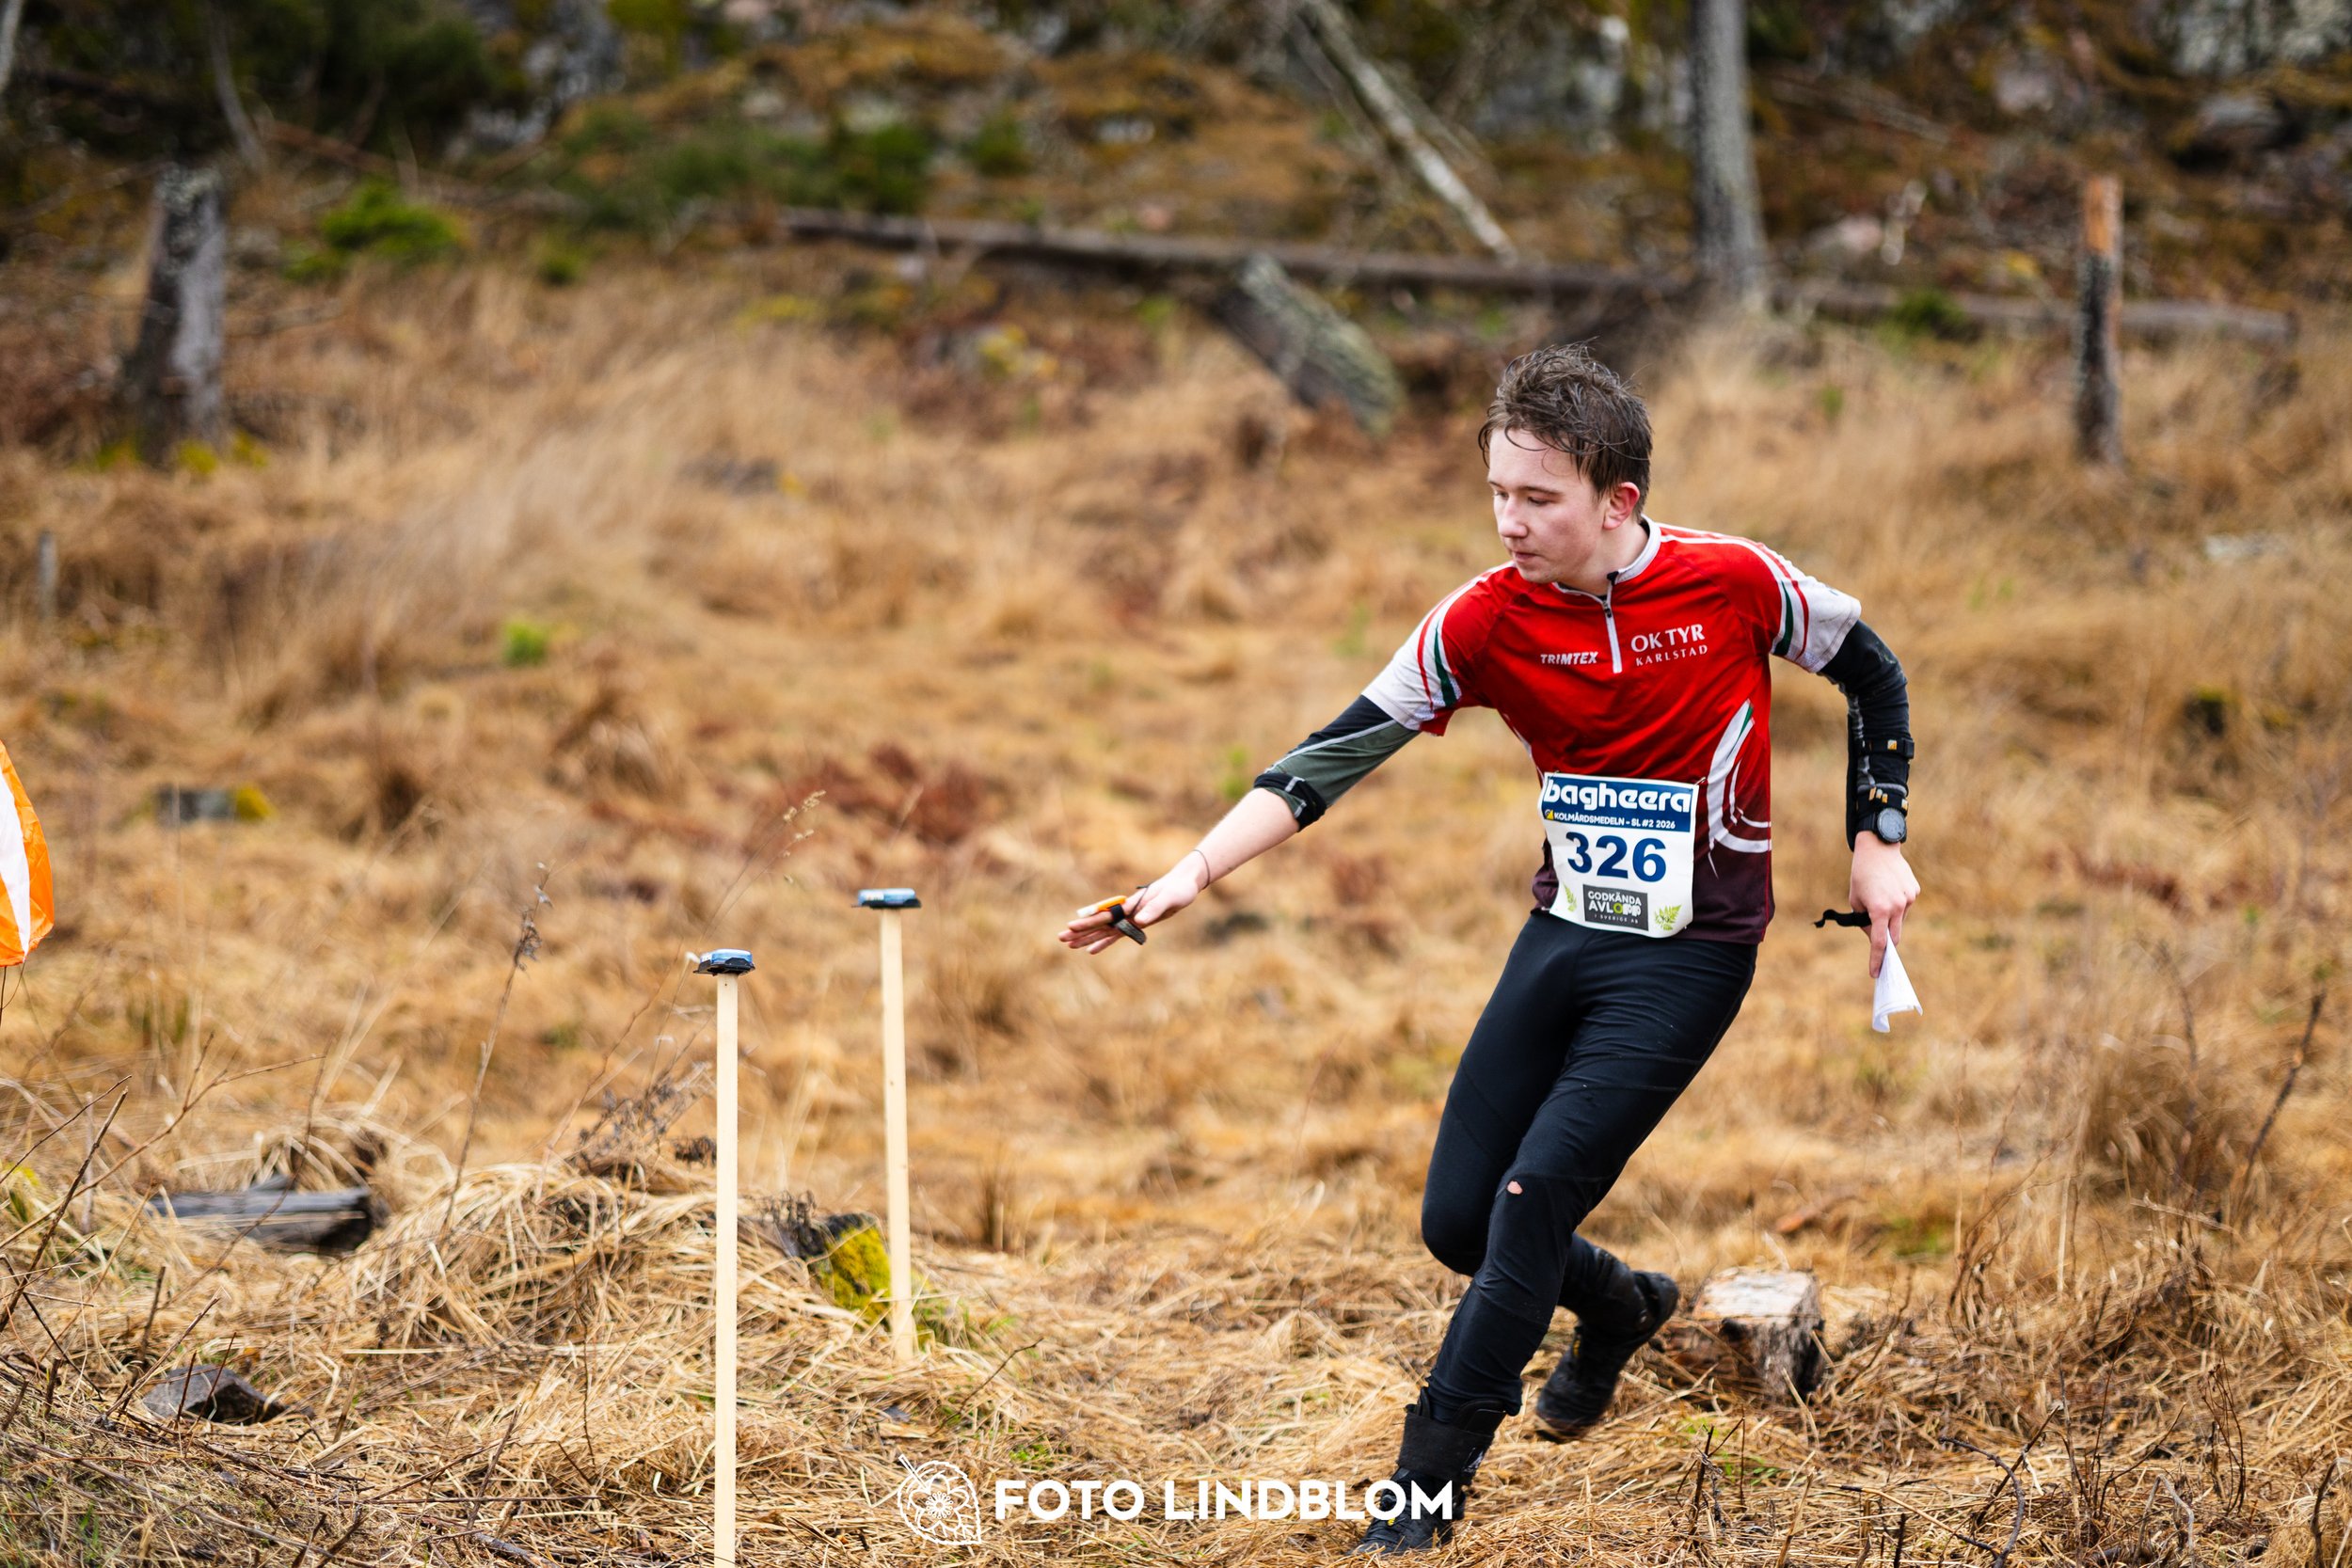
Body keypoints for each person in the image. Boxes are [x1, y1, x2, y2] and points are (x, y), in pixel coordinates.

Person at [1057, 344, 1919, 1555]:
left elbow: (1871, 669)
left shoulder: (1730, 582)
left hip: (1691, 953)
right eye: (1497, 495)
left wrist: (1874, 838)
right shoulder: (1483, 615)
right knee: (1460, 1221)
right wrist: (1185, 876)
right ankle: (1622, 1307)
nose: (1509, 523)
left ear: (1617, 499)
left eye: (1539, 500)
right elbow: (1330, 753)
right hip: (1563, 935)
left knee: (1527, 1199)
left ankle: (1422, 1492)